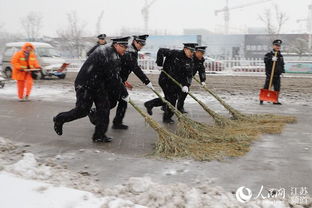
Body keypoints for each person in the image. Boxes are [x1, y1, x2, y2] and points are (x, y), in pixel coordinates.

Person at [53, 36, 131, 143]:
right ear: (117, 45)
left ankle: (99, 135)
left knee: (104, 108)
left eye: (126, 47)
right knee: (82, 110)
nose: (125, 49)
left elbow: (115, 77)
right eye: (124, 47)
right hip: (85, 84)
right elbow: (114, 78)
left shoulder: (113, 53)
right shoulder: (107, 54)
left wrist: (121, 92)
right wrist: (124, 94)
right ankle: (59, 119)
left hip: (98, 85)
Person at [88, 34, 154, 130]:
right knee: (119, 101)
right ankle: (104, 123)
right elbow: (135, 68)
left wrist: (124, 81)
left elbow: (123, 68)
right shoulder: (130, 52)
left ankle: (104, 117)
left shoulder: (131, 51)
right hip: (113, 81)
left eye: (143, 44)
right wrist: (147, 81)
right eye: (140, 43)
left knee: (115, 102)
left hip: (117, 80)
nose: (142, 46)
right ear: (135, 41)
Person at [144, 43, 195, 123]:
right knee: (172, 99)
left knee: (171, 98)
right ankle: (166, 118)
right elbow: (161, 51)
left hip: (176, 83)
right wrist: (159, 63)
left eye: (193, 52)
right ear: (185, 49)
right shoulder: (175, 53)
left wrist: (186, 85)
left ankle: (150, 104)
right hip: (165, 80)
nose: (192, 53)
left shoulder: (190, 61)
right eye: (190, 51)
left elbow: (189, 75)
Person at [177, 45, 207, 113]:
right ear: (196, 52)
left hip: (188, 78)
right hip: (180, 76)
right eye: (201, 53)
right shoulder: (189, 58)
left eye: (203, 53)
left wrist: (203, 80)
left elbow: (202, 70)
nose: (202, 55)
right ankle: (166, 105)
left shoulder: (201, 60)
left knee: (183, 93)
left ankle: (179, 107)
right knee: (175, 92)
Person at [261, 39, 285, 105]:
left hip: (277, 75)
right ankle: (262, 99)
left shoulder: (280, 55)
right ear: (273, 46)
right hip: (270, 74)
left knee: (277, 88)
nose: (278, 47)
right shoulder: (269, 54)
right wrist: (271, 59)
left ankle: (275, 100)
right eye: (276, 45)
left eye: (279, 46)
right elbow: (265, 61)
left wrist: (282, 71)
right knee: (266, 86)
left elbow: (282, 64)